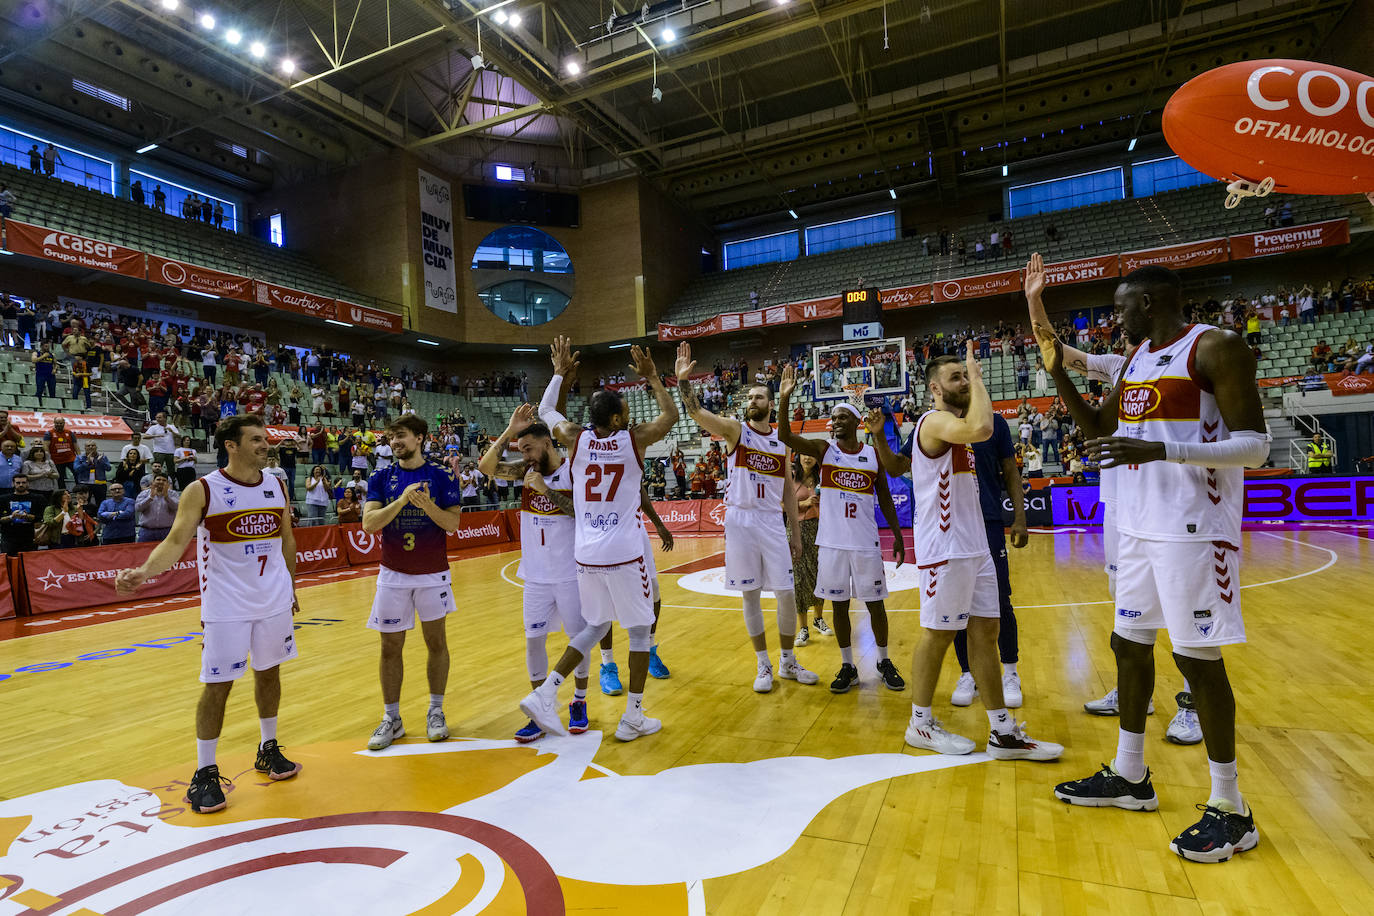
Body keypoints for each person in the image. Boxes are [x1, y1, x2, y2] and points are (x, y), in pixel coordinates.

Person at [1034, 256, 1271, 863]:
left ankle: (1231, 807)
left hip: (1192, 530)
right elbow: (1097, 427)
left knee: (1197, 661)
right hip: (1137, 528)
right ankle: (1130, 774)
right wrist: (1059, 375)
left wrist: (1162, 449)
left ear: (1149, 302)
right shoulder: (1138, 359)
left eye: (1120, 308)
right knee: (1129, 646)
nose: (1115, 319)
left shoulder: (1215, 348)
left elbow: (1255, 447)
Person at [866, 343, 1061, 760]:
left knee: (985, 634)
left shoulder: (957, 425)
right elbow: (981, 427)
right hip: (946, 548)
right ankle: (920, 724)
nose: (964, 381)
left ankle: (1002, 732)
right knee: (938, 634)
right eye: (954, 377)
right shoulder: (934, 422)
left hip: (975, 547)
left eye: (964, 374)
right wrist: (976, 373)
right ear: (935, 389)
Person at [116, 415, 303, 814]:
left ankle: (268, 747)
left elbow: (286, 539)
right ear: (231, 445)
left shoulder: (276, 485)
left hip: (273, 600)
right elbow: (175, 541)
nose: (265, 445)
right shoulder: (202, 490)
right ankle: (204, 771)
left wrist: (291, 586)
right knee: (219, 686)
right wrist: (144, 572)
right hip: (226, 605)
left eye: (265, 438)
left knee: (270, 673)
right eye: (256, 439)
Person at [521, 335, 680, 742]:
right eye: (624, 411)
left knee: (594, 626)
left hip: (586, 553)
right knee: (640, 631)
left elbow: (545, 410)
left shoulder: (575, 437)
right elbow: (670, 417)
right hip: (624, 551)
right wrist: (653, 378)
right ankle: (633, 717)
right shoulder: (633, 439)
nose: (628, 414)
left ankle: (545, 693)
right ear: (615, 419)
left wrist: (558, 374)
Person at [675, 342, 816, 692]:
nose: (752, 401)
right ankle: (763, 664)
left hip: (771, 520)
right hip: (740, 520)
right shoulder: (736, 431)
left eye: (758, 397)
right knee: (750, 595)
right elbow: (697, 413)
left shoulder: (781, 444)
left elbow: (788, 491)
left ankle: (788, 661)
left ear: (770, 403)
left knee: (786, 592)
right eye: (749, 397)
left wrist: (796, 534)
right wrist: (683, 382)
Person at [777, 366, 906, 694]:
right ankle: (848, 665)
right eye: (833, 418)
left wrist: (898, 535)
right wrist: (784, 398)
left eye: (841, 417)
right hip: (832, 544)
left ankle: (884, 660)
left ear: (856, 422)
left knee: (875, 604)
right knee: (838, 606)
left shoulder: (872, 455)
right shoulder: (824, 450)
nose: (834, 422)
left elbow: (885, 499)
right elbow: (785, 437)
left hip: (865, 542)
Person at [479, 403, 592, 741]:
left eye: (528, 448)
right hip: (535, 576)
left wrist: (547, 491)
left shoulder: (573, 472)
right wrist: (510, 432)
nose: (525, 455)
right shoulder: (525, 471)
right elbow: (486, 467)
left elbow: (582, 513)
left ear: (547, 443)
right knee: (533, 642)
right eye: (521, 450)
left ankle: (579, 701)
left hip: (570, 574)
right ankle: (540, 709)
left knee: (578, 640)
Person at [362, 415, 464, 750]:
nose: (395, 441)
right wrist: (403, 500)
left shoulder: (443, 475)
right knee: (389, 647)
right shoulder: (380, 476)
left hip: (432, 573)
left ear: (420, 438)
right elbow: (369, 524)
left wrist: (427, 505)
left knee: (436, 643)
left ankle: (436, 711)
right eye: (392, 436)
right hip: (393, 575)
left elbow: (452, 524)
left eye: (401, 435)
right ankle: (392, 718)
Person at [790, 452, 832, 646]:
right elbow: (780, 504)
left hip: (819, 529)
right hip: (796, 529)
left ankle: (818, 619)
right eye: (804, 455)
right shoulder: (790, 478)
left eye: (811, 455)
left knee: (818, 575)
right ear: (798, 457)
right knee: (799, 579)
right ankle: (803, 628)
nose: (808, 458)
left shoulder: (822, 478)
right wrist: (802, 504)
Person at [0, 474, 45, 555]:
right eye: (18, 483)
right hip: (9, 536)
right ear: (13, 484)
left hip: (29, 536)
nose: (21, 485)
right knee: (9, 560)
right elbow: (1, 519)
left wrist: (27, 516)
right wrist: (11, 516)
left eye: (24, 482)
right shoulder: (3, 499)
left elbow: (41, 517)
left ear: (28, 483)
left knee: (29, 561)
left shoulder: (38, 498)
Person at [135, 472, 179, 542]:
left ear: (168, 483)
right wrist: (150, 498)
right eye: (158, 479)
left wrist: (167, 497)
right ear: (153, 482)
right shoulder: (144, 493)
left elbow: (176, 507)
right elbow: (138, 508)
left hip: (167, 531)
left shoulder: (173, 494)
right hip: (146, 531)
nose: (161, 482)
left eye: (164, 480)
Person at [144, 412, 181, 484]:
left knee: (171, 469)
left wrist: (172, 431)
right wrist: (156, 436)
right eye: (157, 417)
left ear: (165, 418)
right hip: (159, 451)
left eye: (160, 417)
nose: (158, 419)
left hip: (171, 451)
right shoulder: (154, 427)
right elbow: (145, 436)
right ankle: (155, 483)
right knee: (157, 468)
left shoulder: (171, 426)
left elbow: (179, 436)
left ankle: (171, 484)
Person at [32, 340, 57, 405]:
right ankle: (38, 404)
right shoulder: (36, 353)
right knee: (40, 390)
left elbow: (55, 364)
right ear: (41, 346)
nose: (47, 348)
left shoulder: (52, 355)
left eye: (48, 346)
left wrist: (55, 369)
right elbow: (33, 360)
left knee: (52, 391)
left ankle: (52, 405)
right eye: (46, 346)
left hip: (50, 375)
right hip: (40, 374)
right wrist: (43, 356)